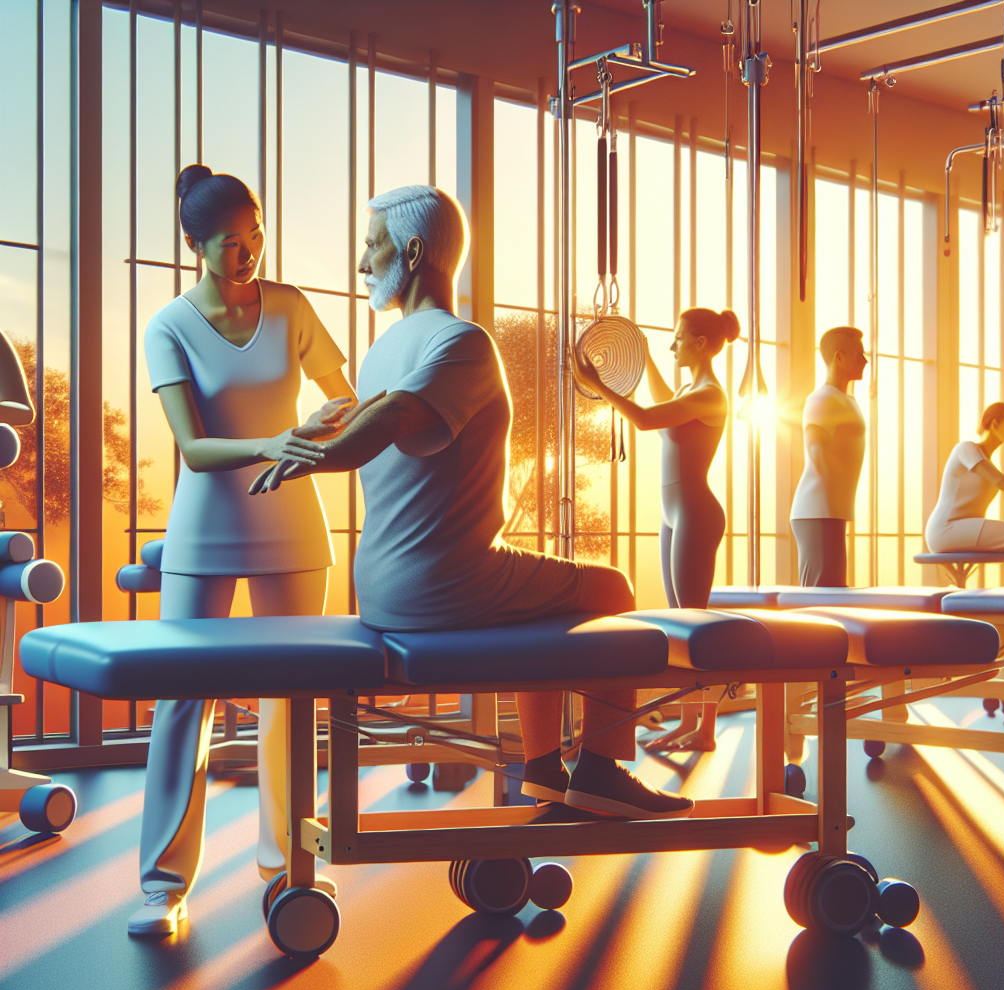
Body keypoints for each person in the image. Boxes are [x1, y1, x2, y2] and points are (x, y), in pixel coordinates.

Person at [251, 184, 694, 821]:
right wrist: (320, 454)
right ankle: (601, 769)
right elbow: (395, 417)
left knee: (540, 593)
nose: (361, 264)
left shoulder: (383, 352)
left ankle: (543, 768)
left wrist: (320, 444)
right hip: (440, 585)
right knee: (615, 589)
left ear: (412, 251)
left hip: (379, 585)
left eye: (370, 246)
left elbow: (378, 414)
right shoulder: (462, 342)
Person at [131, 164, 356, 936]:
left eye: (257, 235)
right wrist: (275, 441)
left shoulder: (290, 306)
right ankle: (164, 888)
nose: (250, 251)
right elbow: (193, 448)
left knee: (289, 700)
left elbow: (343, 394)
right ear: (195, 243)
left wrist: (328, 420)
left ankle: (290, 866)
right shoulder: (169, 325)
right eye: (234, 241)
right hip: (204, 530)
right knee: (180, 703)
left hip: (295, 526)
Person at [574, 307, 736, 754]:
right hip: (673, 513)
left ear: (701, 344)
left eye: (678, 339)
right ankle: (689, 723)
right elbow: (660, 400)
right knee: (681, 626)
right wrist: (641, 351)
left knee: (696, 625)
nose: (673, 346)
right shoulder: (689, 388)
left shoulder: (710, 395)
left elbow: (646, 419)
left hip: (696, 513)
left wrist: (599, 386)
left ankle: (705, 731)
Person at [789, 326, 868, 587]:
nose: (865, 360)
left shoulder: (846, 400)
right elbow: (816, 449)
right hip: (818, 510)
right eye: (859, 353)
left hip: (830, 511)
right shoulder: (822, 399)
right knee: (818, 600)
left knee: (832, 594)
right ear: (839, 357)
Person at [925, 401, 1004, 584]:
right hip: (945, 528)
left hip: (965, 529)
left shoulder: (989, 466)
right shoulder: (966, 449)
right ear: (995, 424)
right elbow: (1002, 481)